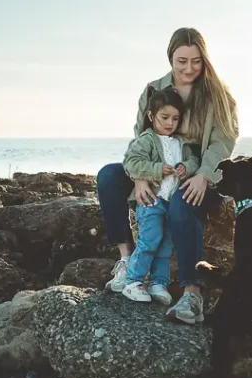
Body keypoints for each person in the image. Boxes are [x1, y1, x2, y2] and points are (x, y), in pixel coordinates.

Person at [96, 27, 238, 324]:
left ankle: (191, 292)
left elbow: (222, 140)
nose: (189, 68)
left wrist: (203, 175)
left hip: (193, 173)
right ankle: (127, 259)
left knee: (181, 204)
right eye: (181, 61)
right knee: (108, 176)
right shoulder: (153, 90)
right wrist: (139, 177)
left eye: (196, 61)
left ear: (205, 60)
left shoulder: (217, 95)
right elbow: (140, 137)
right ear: (170, 58)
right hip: (154, 171)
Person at [119, 86, 200, 306]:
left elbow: (194, 160)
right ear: (151, 116)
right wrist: (156, 169)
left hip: (170, 202)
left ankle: (158, 283)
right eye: (164, 117)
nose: (169, 123)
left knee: (166, 245)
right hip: (151, 201)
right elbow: (132, 162)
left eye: (175, 118)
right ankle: (133, 281)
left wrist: (186, 166)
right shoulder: (147, 139)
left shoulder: (180, 142)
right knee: (150, 240)